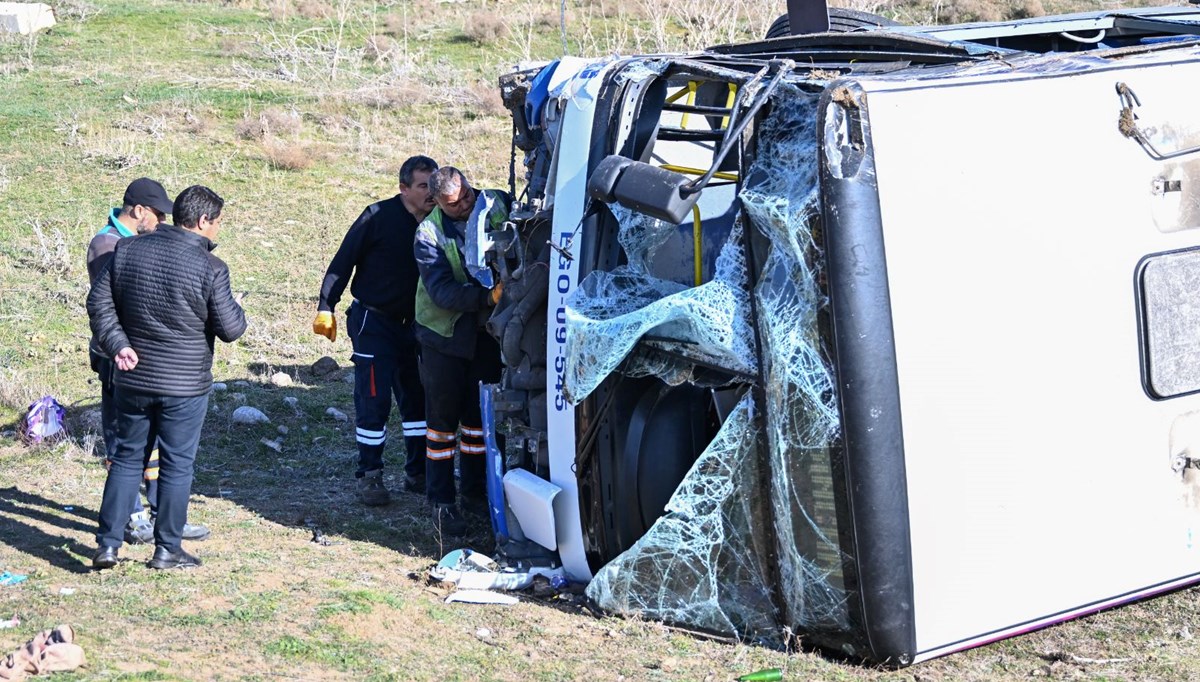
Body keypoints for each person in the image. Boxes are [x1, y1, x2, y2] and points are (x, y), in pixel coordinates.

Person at [87, 185, 246, 570]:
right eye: (218, 223)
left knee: (126, 459)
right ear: (203, 221)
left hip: (133, 377)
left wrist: (118, 344)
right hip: (184, 386)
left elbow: (98, 303)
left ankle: (108, 545)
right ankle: (167, 549)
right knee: (176, 464)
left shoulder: (127, 250)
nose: (219, 230)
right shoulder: (212, 267)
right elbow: (231, 328)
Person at [313, 155, 439, 506]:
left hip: (416, 325)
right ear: (403, 188)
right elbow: (343, 260)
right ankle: (370, 475)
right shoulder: (377, 216)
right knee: (374, 399)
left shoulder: (439, 219)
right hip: (374, 322)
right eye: (423, 186)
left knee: (417, 400)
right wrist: (327, 305)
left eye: (435, 184)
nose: (431, 193)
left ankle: (418, 473)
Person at [413, 166, 509, 537]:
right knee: (441, 425)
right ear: (437, 202)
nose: (465, 205)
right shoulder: (427, 234)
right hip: (444, 337)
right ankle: (441, 501)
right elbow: (443, 293)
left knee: (478, 422)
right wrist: (488, 296)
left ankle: (475, 494)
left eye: (467, 195)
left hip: (485, 334)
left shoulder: (495, 202)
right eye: (454, 204)